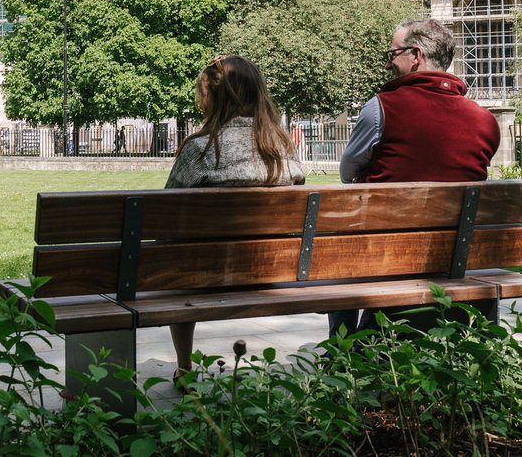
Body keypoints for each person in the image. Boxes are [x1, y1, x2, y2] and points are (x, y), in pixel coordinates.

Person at [329, 19, 500, 337]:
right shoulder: (485, 121)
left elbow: (347, 174)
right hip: (458, 257)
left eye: (393, 53)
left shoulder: (381, 108)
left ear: (415, 55)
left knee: (342, 247)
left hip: (387, 256)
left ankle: (341, 350)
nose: (388, 62)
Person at [164, 55, 305, 380]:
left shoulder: (199, 149)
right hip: (275, 270)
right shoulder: (282, 149)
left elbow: (167, 219)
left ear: (213, 98)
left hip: (202, 276)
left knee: (178, 259)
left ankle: (184, 367)